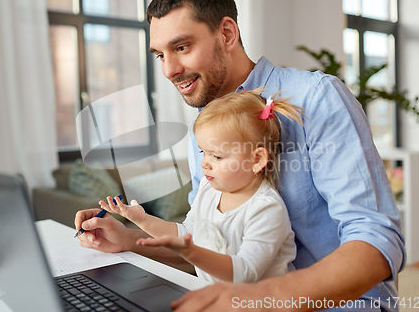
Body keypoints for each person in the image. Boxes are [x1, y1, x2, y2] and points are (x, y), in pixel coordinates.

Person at [75, 0, 405, 310]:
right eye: (160, 54)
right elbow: (204, 238)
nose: (169, 70)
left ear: (228, 34)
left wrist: (259, 298)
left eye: (182, 47)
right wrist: (130, 239)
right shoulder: (204, 129)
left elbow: (378, 241)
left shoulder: (316, 98)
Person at [99, 90, 303, 283]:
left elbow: (244, 272)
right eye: (202, 152)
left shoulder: (266, 209)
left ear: (257, 159)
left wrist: (191, 252)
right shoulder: (209, 188)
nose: (205, 163)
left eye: (217, 156)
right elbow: (186, 232)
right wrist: (142, 219)